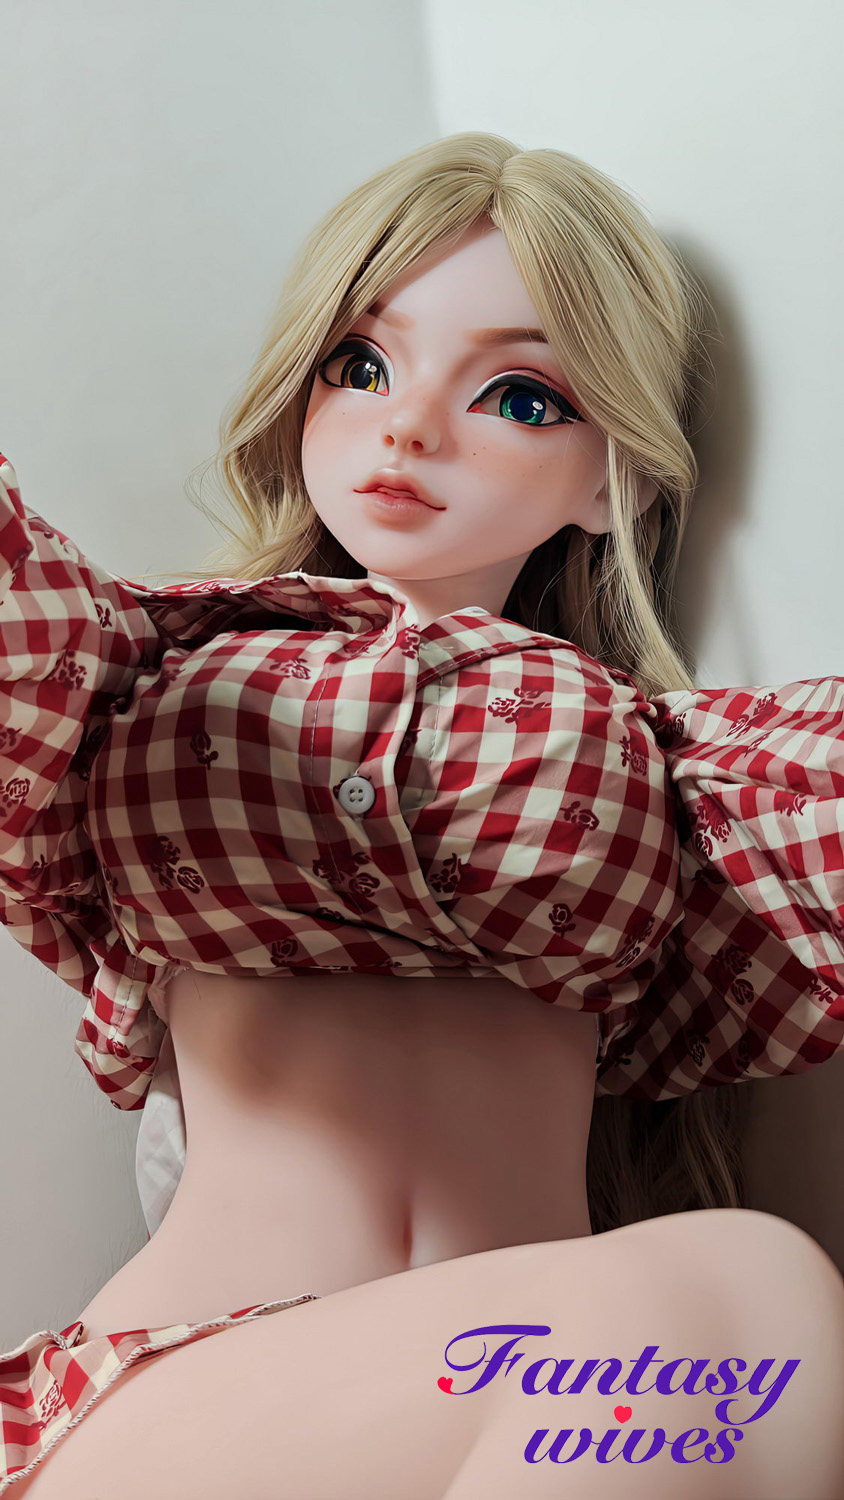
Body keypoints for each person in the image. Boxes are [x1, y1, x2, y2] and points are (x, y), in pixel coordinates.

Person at [1, 133, 842, 1498]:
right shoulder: (138, 674)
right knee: (738, 1303)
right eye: (361, 365)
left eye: (520, 395)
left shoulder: (688, 777)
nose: (407, 426)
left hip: (509, 1419)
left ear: (613, 480)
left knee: (731, 1323)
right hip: (186, 1390)